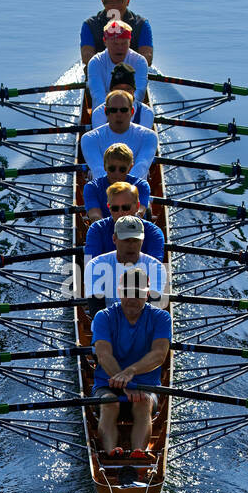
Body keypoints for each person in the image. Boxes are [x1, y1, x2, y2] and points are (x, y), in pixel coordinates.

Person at [91, 267, 171, 458]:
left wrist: (131, 373)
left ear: (148, 294)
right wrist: (125, 382)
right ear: (119, 292)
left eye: (138, 294)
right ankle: (112, 454)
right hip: (107, 384)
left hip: (146, 386)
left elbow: (159, 355)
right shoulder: (104, 316)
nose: (132, 299)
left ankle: (138, 455)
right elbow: (103, 355)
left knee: (143, 402)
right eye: (127, 293)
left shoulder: (161, 318)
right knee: (110, 403)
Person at [84, 214, 169, 306]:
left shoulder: (157, 267)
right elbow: (96, 311)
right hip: (107, 320)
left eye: (136, 240)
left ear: (143, 240)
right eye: (126, 240)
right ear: (114, 239)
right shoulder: (95, 265)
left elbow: (152, 310)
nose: (131, 245)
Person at [80, 90, 157, 182]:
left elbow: (141, 167)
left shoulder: (149, 136)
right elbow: (98, 170)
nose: (119, 114)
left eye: (123, 110)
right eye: (113, 110)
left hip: (135, 192)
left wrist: (122, 190)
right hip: (103, 192)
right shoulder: (89, 138)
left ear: (132, 111)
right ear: (106, 112)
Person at [85, 181, 165, 262]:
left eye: (126, 207)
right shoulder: (96, 229)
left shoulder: (153, 233)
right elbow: (89, 264)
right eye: (115, 208)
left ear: (137, 206)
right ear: (109, 207)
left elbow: (154, 268)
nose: (121, 213)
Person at [80, 0, 153, 66]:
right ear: (102, 2)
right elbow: (86, 56)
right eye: (110, 2)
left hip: (132, 73)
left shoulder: (141, 25)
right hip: (100, 72)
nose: (114, 6)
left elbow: (147, 57)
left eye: (119, 1)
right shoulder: (90, 25)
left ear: (128, 1)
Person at [86, 20, 149, 107]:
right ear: (105, 42)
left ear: (129, 41)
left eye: (123, 43)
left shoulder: (140, 62)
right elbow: (98, 96)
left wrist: (124, 111)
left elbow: (139, 93)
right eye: (115, 44)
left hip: (131, 110)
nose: (119, 48)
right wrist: (113, 113)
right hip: (103, 112)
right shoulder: (95, 62)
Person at [83, 143, 150, 222]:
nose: (116, 173)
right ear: (104, 166)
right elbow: (95, 215)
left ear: (130, 168)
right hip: (104, 230)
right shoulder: (92, 187)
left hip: (133, 228)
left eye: (122, 169)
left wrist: (128, 225)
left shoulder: (141, 186)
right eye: (112, 168)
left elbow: (140, 211)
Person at [91, 63, 155, 129]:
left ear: (134, 90)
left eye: (128, 89)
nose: (123, 93)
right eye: (118, 89)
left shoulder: (146, 113)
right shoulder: (99, 113)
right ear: (111, 91)